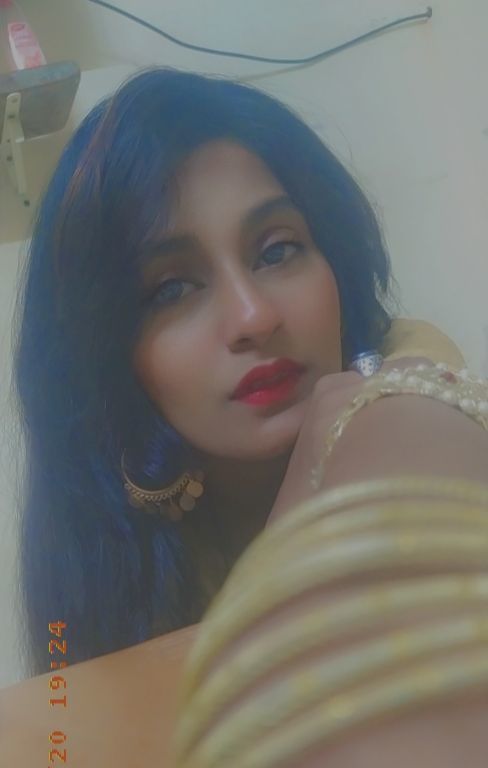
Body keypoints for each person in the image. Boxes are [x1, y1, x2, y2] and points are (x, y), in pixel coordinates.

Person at [14, 65, 405, 676]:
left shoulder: (424, 426)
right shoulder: (98, 586)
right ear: (104, 355)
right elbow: (68, 723)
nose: (253, 316)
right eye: (171, 289)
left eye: (276, 250)